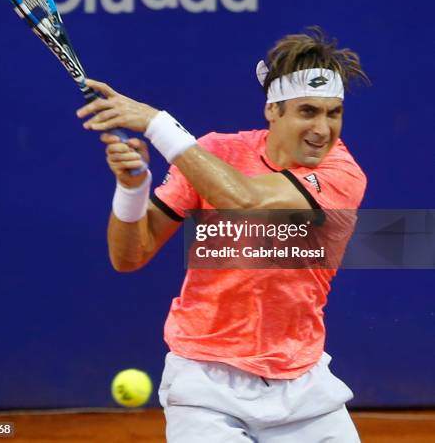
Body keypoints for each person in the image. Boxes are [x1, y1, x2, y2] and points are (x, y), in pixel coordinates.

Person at [76, 27, 369, 442]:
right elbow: (130, 255)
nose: (323, 128)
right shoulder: (214, 154)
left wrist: (156, 123)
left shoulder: (342, 174)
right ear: (273, 110)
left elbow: (245, 198)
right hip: (205, 384)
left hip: (304, 385)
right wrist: (132, 186)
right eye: (308, 111)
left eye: (332, 112)